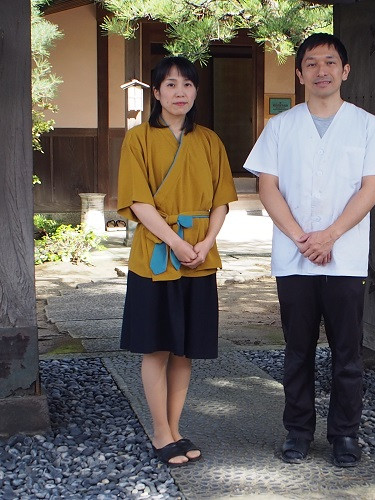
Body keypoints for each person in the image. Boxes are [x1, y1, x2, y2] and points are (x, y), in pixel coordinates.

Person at [244, 33, 375, 467]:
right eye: (311, 64)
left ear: (345, 71)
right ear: (300, 74)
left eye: (330, 62)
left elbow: (370, 191)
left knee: (348, 353)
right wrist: (301, 238)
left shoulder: (368, 126)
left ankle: (345, 435)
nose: (322, 71)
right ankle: (297, 431)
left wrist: (328, 236)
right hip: (294, 259)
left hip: (345, 258)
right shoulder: (280, 126)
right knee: (297, 350)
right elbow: (267, 186)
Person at [117, 56, 237, 467]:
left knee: (184, 350)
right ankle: (160, 431)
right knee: (157, 347)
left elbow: (222, 200)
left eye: (187, 85)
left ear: (196, 91)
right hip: (155, 254)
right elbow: (136, 200)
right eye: (170, 85)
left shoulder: (209, 140)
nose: (180, 92)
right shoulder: (138, 139)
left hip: (199, 255)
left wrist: (205, 244)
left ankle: (176, 426)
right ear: (156, 92)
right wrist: (175, 242)